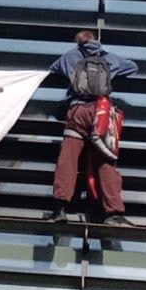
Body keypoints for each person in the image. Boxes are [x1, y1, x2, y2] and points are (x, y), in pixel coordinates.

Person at [47, 28, 138, 225]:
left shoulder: (70, 56)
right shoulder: (109, 58)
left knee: (68, 159)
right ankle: (113, 213)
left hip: (77, 111)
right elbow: (133, 68)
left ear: (78, 42)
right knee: (104, 160)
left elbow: (53, 68)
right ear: (96, 41)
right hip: (100, 113)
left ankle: (60, 209)